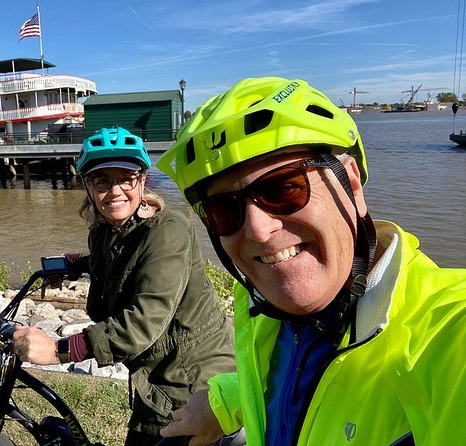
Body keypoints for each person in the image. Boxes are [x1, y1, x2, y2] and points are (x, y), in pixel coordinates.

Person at [156, 77, 466, 445]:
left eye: (284, 187)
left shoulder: (448, 334)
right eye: (223, 209)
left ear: (350, 184)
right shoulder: (266, 315)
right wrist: (224, 403)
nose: (257, 229)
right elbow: (294, 375)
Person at [13, 127, 236, 446]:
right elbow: (123, 258)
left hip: (190, 378)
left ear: (142, 181)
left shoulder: (169, 229)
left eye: (125, 177)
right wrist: (78, 263)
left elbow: (144, 321)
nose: (115, 190)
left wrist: (58, 350)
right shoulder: (106, 230)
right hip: (154, 373)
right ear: (88, 187)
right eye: (102, 180)